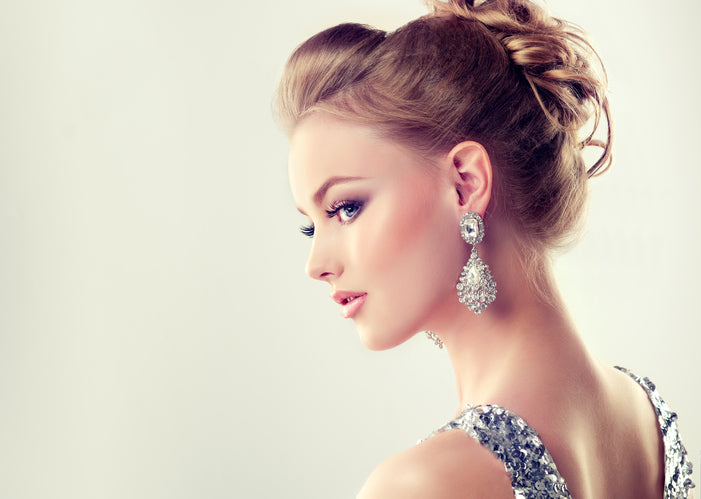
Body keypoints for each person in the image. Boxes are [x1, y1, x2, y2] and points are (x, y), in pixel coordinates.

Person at [275, 0, 695, 497]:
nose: (315, 265)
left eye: (346, 208)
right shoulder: (650, 418)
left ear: (465, 183)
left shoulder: (424, 485)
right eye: (311, 226)